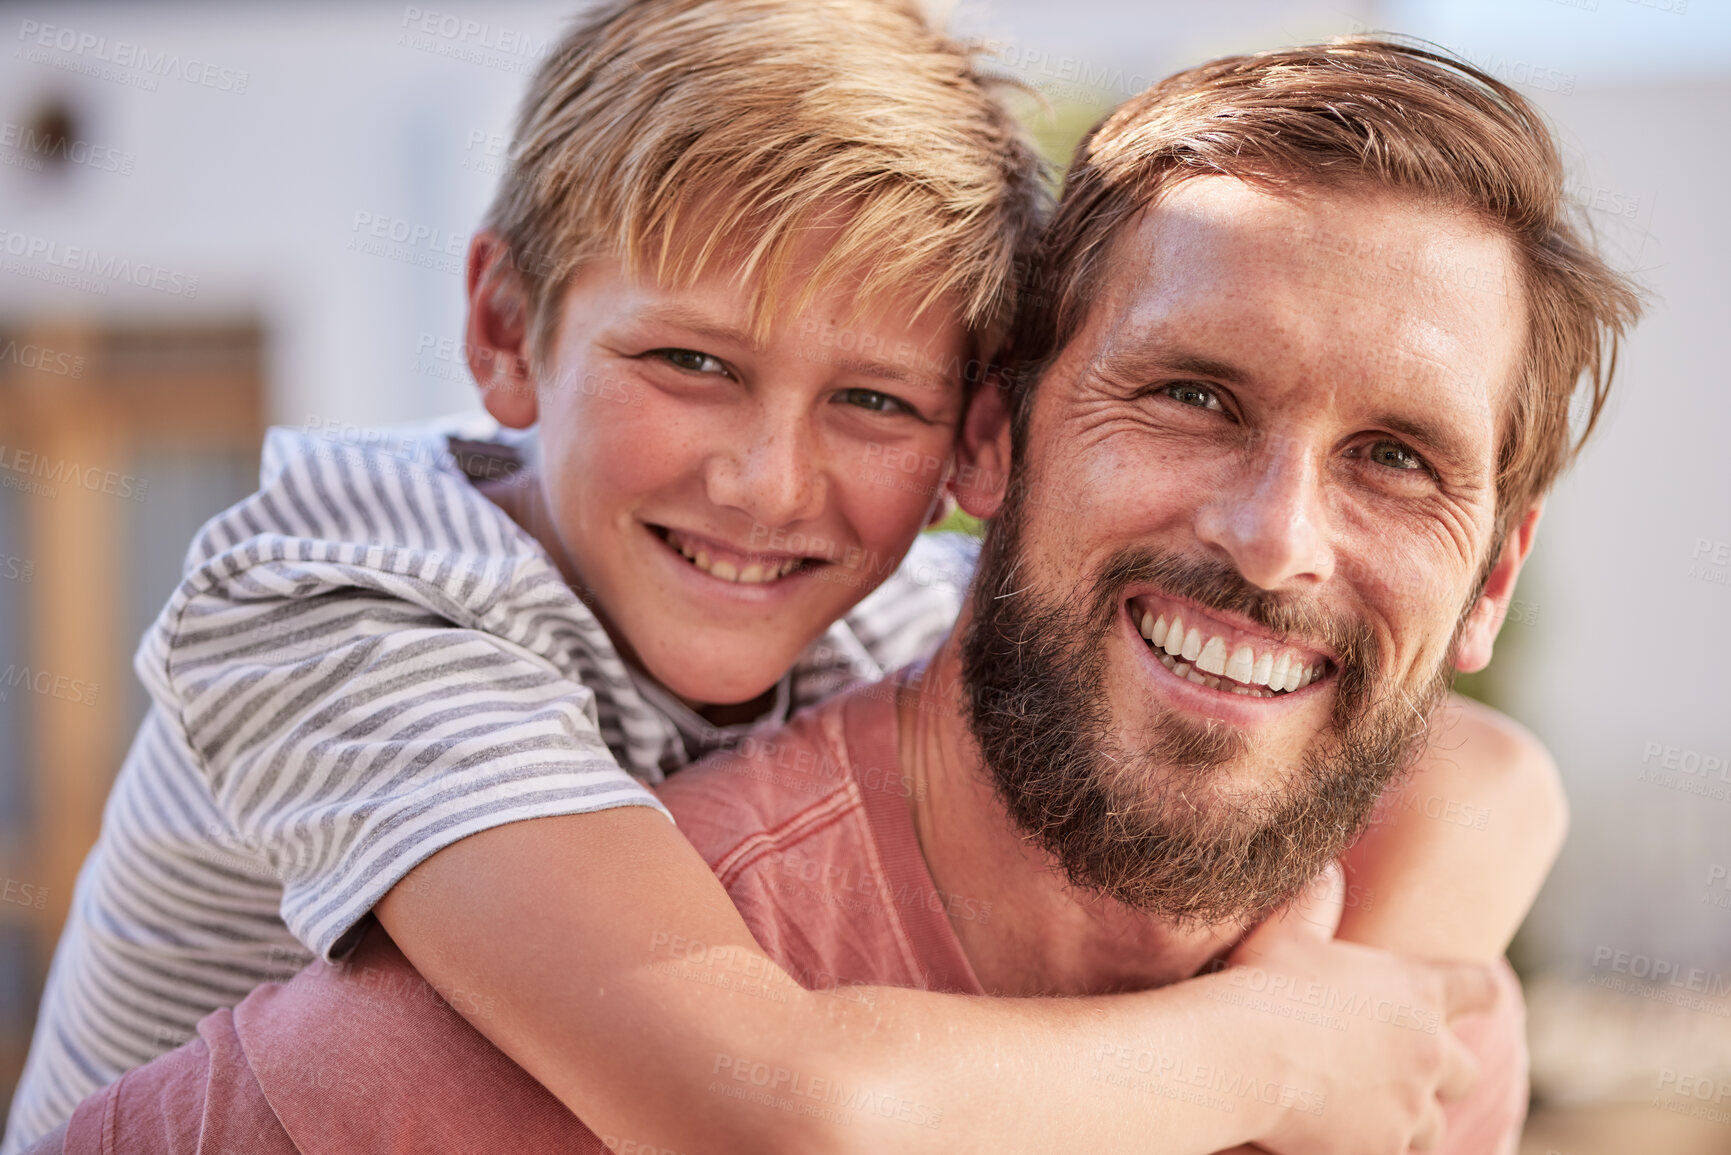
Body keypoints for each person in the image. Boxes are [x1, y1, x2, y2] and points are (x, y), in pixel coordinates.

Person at [4, 14, 1625, 1155]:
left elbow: (1488, 779)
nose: (772, 485)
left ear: (965, 442)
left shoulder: (876, 608)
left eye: (873, 403)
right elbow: (769, 1110)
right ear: (504, 332)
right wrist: (1278, 1055)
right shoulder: (335, 608)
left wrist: (1353, 1004)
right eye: (692, 363)